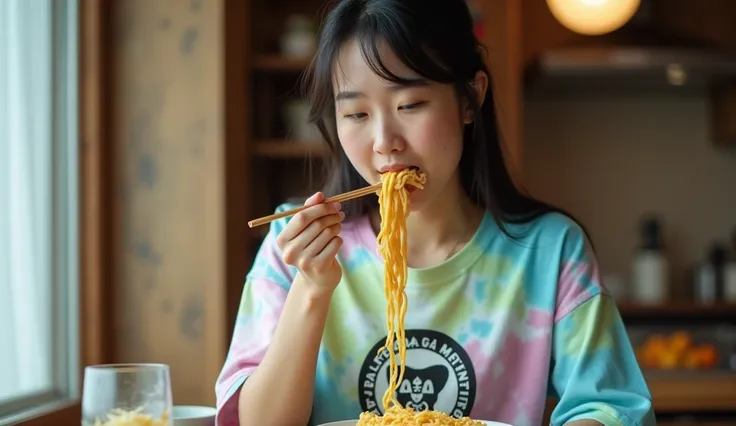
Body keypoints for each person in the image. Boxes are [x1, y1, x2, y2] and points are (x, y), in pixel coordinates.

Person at [215, 0, 656, 425]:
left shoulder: (548, 251)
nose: (384, 140)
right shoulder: (294, 246)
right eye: (356, 113)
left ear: (469, 99)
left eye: (409, 105)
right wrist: (311, 289)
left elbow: (608, 408)